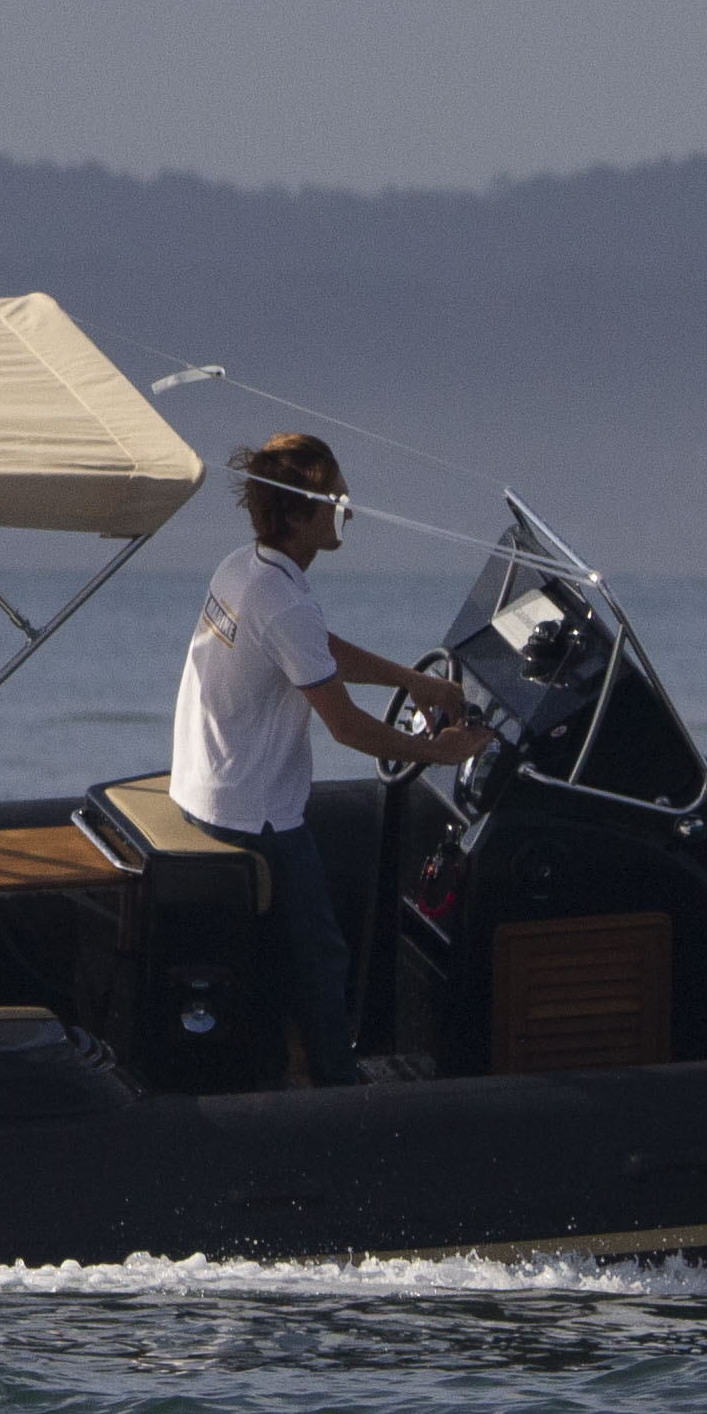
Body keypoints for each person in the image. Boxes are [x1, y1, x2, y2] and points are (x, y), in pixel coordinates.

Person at [167, 432, 490, 1086]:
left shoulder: (245, 568)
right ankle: (337, 1087)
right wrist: (437, 750)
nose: (346, 508)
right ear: (296, 515)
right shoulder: (282, 600)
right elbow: (344, 726)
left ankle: (293, 1067)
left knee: (290, 955)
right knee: (320, 956)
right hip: (253, 815)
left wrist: (413, 681)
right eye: (334, 499)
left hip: (206, 789)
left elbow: (316, 648)